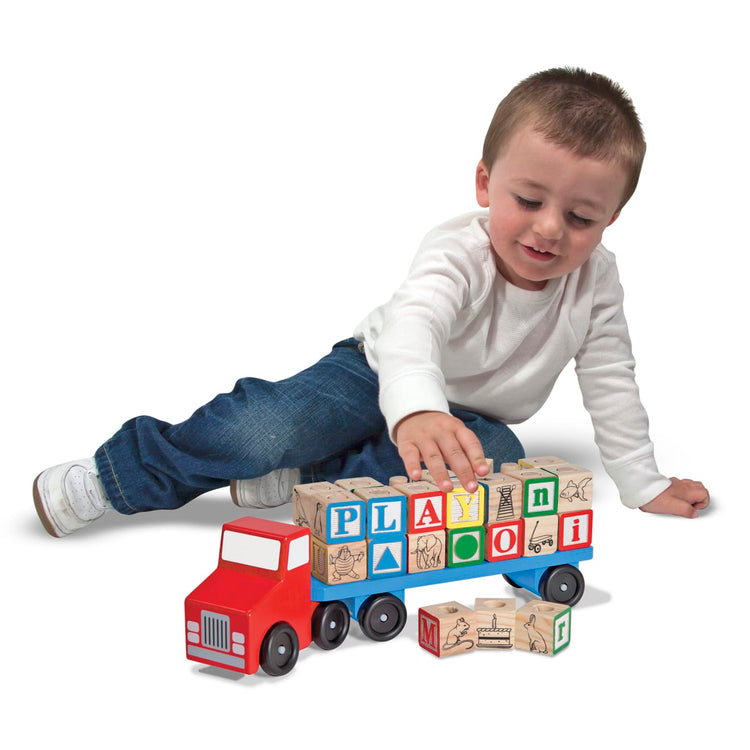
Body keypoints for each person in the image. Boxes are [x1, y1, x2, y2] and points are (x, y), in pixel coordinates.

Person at [33, 67, 709, 538]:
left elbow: (611, 378)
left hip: (469, 413)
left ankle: (312, 477)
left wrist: (640, 481)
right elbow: (415, 326)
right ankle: (121, 475)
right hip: (378, 371)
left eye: (582, 216)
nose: (549, 229)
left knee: (496, 462)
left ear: (612, 218)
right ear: (484, 183)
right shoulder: (456, 252)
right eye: (529, 201)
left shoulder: (597, 284)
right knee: (268, 427)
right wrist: (414, 407)